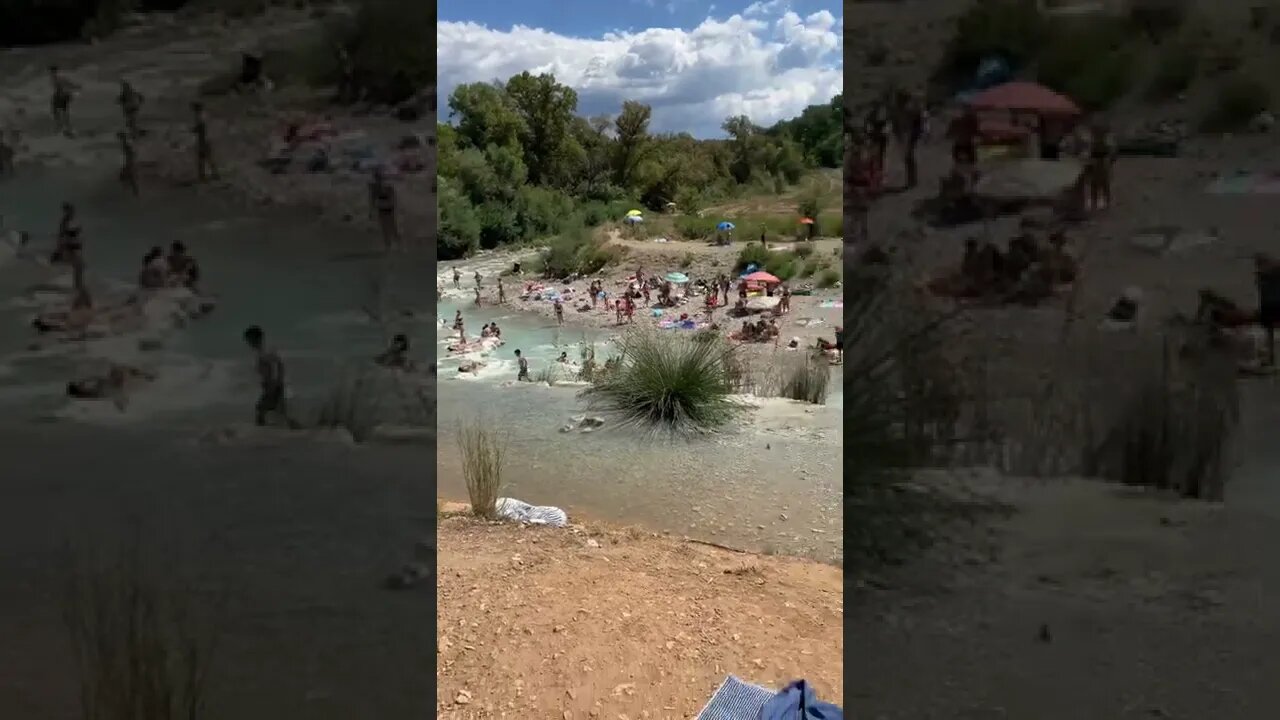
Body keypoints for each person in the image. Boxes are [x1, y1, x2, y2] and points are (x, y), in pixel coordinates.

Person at [243, 325, 301, 428]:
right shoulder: (263, 351)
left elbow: (277, 365)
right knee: (279, 411)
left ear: (255, 339)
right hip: (272, 385)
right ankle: (296, 427)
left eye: (249, 340)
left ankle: (261, 429)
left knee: (261, 408)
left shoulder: (264, 352)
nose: (248, 343)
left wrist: (275, 382)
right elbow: (277, 364)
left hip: (273, 385)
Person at [1085, 120, 1116, 211]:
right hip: (1096, 162)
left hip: (1101, 162)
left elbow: (1112, 153)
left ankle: (1106, 203)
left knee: (1103, 184)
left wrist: (1109, 160)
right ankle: (1098, 203)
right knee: (1096, 185)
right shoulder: (1092, 140)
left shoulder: (1106, 139)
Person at [1256, 254, 1280, 366]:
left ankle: (1271, 358)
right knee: (1269, 332)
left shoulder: (1263, 274)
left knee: (1269, 332)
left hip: (1271, 305)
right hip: (1270, 305)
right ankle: (1271, 358)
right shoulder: (1265, 274)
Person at [368, 167, 399, 251]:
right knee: (385, 228)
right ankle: (388, 245)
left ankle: (397, 244)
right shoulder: (375, 188)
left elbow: (393, 197)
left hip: (388, 207)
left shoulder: (386, 186)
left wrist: (393, 205)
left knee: (392, 227)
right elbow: (372, 200)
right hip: (382, 208)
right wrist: (372, 210)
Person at [192, 102, 218, 182]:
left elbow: (201, 128)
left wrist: (194, 130)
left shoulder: (200, 116)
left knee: (203, 158)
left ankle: (204, 175)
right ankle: (211, 174)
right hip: (205, 139)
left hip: (203, 140)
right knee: (206, 158)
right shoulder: (203, 115)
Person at [49, 66, 77, 137]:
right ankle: (63, 129)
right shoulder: (54, 78)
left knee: (64, 114)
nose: (52, 73)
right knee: (57, 113)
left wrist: (74, 87)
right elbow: (67, 84)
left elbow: (68, 83)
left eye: (53, 72)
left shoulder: (60, 77)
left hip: (62, 96)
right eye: (51, 72)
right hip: (59, 96)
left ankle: (67, 129)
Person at [118, 132, 139, 196]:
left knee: (127, 151)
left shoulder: (129, 175)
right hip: (130, 163)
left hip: (129, 163)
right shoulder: (129, 175)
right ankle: (124, 137)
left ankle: (123, 137)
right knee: (127, 151)